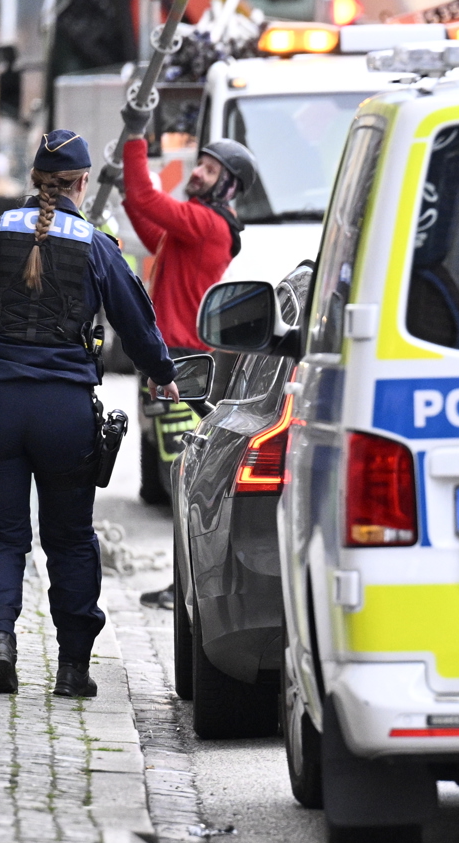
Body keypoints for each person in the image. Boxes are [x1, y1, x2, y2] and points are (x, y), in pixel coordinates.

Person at [0, 129, 180, 697]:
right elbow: (138, 329)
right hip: (65, 412)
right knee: (68, 539)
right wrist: (163, 375)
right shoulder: (95, 245)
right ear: (82, 184)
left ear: (35, 180)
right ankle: (72, 669)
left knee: (1, 536)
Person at [119, 109, 256, 606]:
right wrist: (125, 188)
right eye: (199, 164)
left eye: (209, 169)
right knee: (178, 475)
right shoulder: (195, 231)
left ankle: (188, 588)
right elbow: (150, 225)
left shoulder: (208, 225)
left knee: (183, 479)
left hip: (183, 368)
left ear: (228, 186)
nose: (197, 172)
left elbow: (146, 198)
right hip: (175, 364)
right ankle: (186, 585)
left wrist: (135, 139)